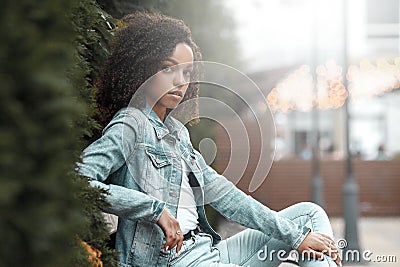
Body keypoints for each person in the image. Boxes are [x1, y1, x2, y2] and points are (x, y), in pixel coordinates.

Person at [77, 12, 341, 267]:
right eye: (168, 68)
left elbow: (227, 197)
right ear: (143, 68)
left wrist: (296, 237)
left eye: (187, 73)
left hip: (206, 250)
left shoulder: (178, 133)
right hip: (171, 260)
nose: (180, 82)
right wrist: (153, 210)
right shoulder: (131, 123)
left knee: (309, 217)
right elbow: (79, 181)